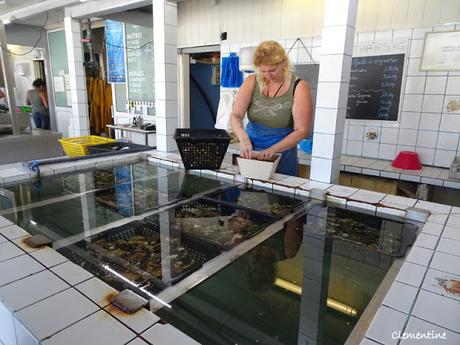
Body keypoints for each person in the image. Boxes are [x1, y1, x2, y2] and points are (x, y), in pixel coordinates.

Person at [230, 40, 313, 176]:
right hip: (251, 151)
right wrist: (243, 139)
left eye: (272, 70)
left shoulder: (299, 87)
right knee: (250, 195)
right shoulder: (251, 82)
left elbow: (301, 130)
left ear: (283, 63)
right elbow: (235, 116)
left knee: (281, 195)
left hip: (282, 154)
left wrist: (273, 150)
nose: (268, 75)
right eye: (263, 71)